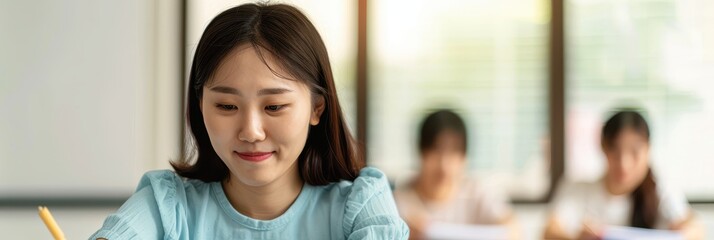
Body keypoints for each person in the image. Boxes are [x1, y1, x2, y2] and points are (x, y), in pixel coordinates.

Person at [90, 3, 408, 239]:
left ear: (317, 108)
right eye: (227, 106)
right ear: (200, 106)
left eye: (274, 107)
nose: (251, 132)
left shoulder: (362, 204)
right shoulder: (166, 207)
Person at [543, 110, 704, 239]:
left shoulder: (662, 192)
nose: (624, 164)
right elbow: (550, 231)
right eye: (615, 151)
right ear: (603, 148)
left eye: (634, 152)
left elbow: (694, 231)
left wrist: (684, 230)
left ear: (648, 150)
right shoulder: (578, 189)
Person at [393, 109, 518, 239]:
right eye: (436, 150)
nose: (444, 164)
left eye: (454, 151)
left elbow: (512, 230)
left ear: (464, 157)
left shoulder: (477, 192)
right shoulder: (401, 200)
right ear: (422, 153)